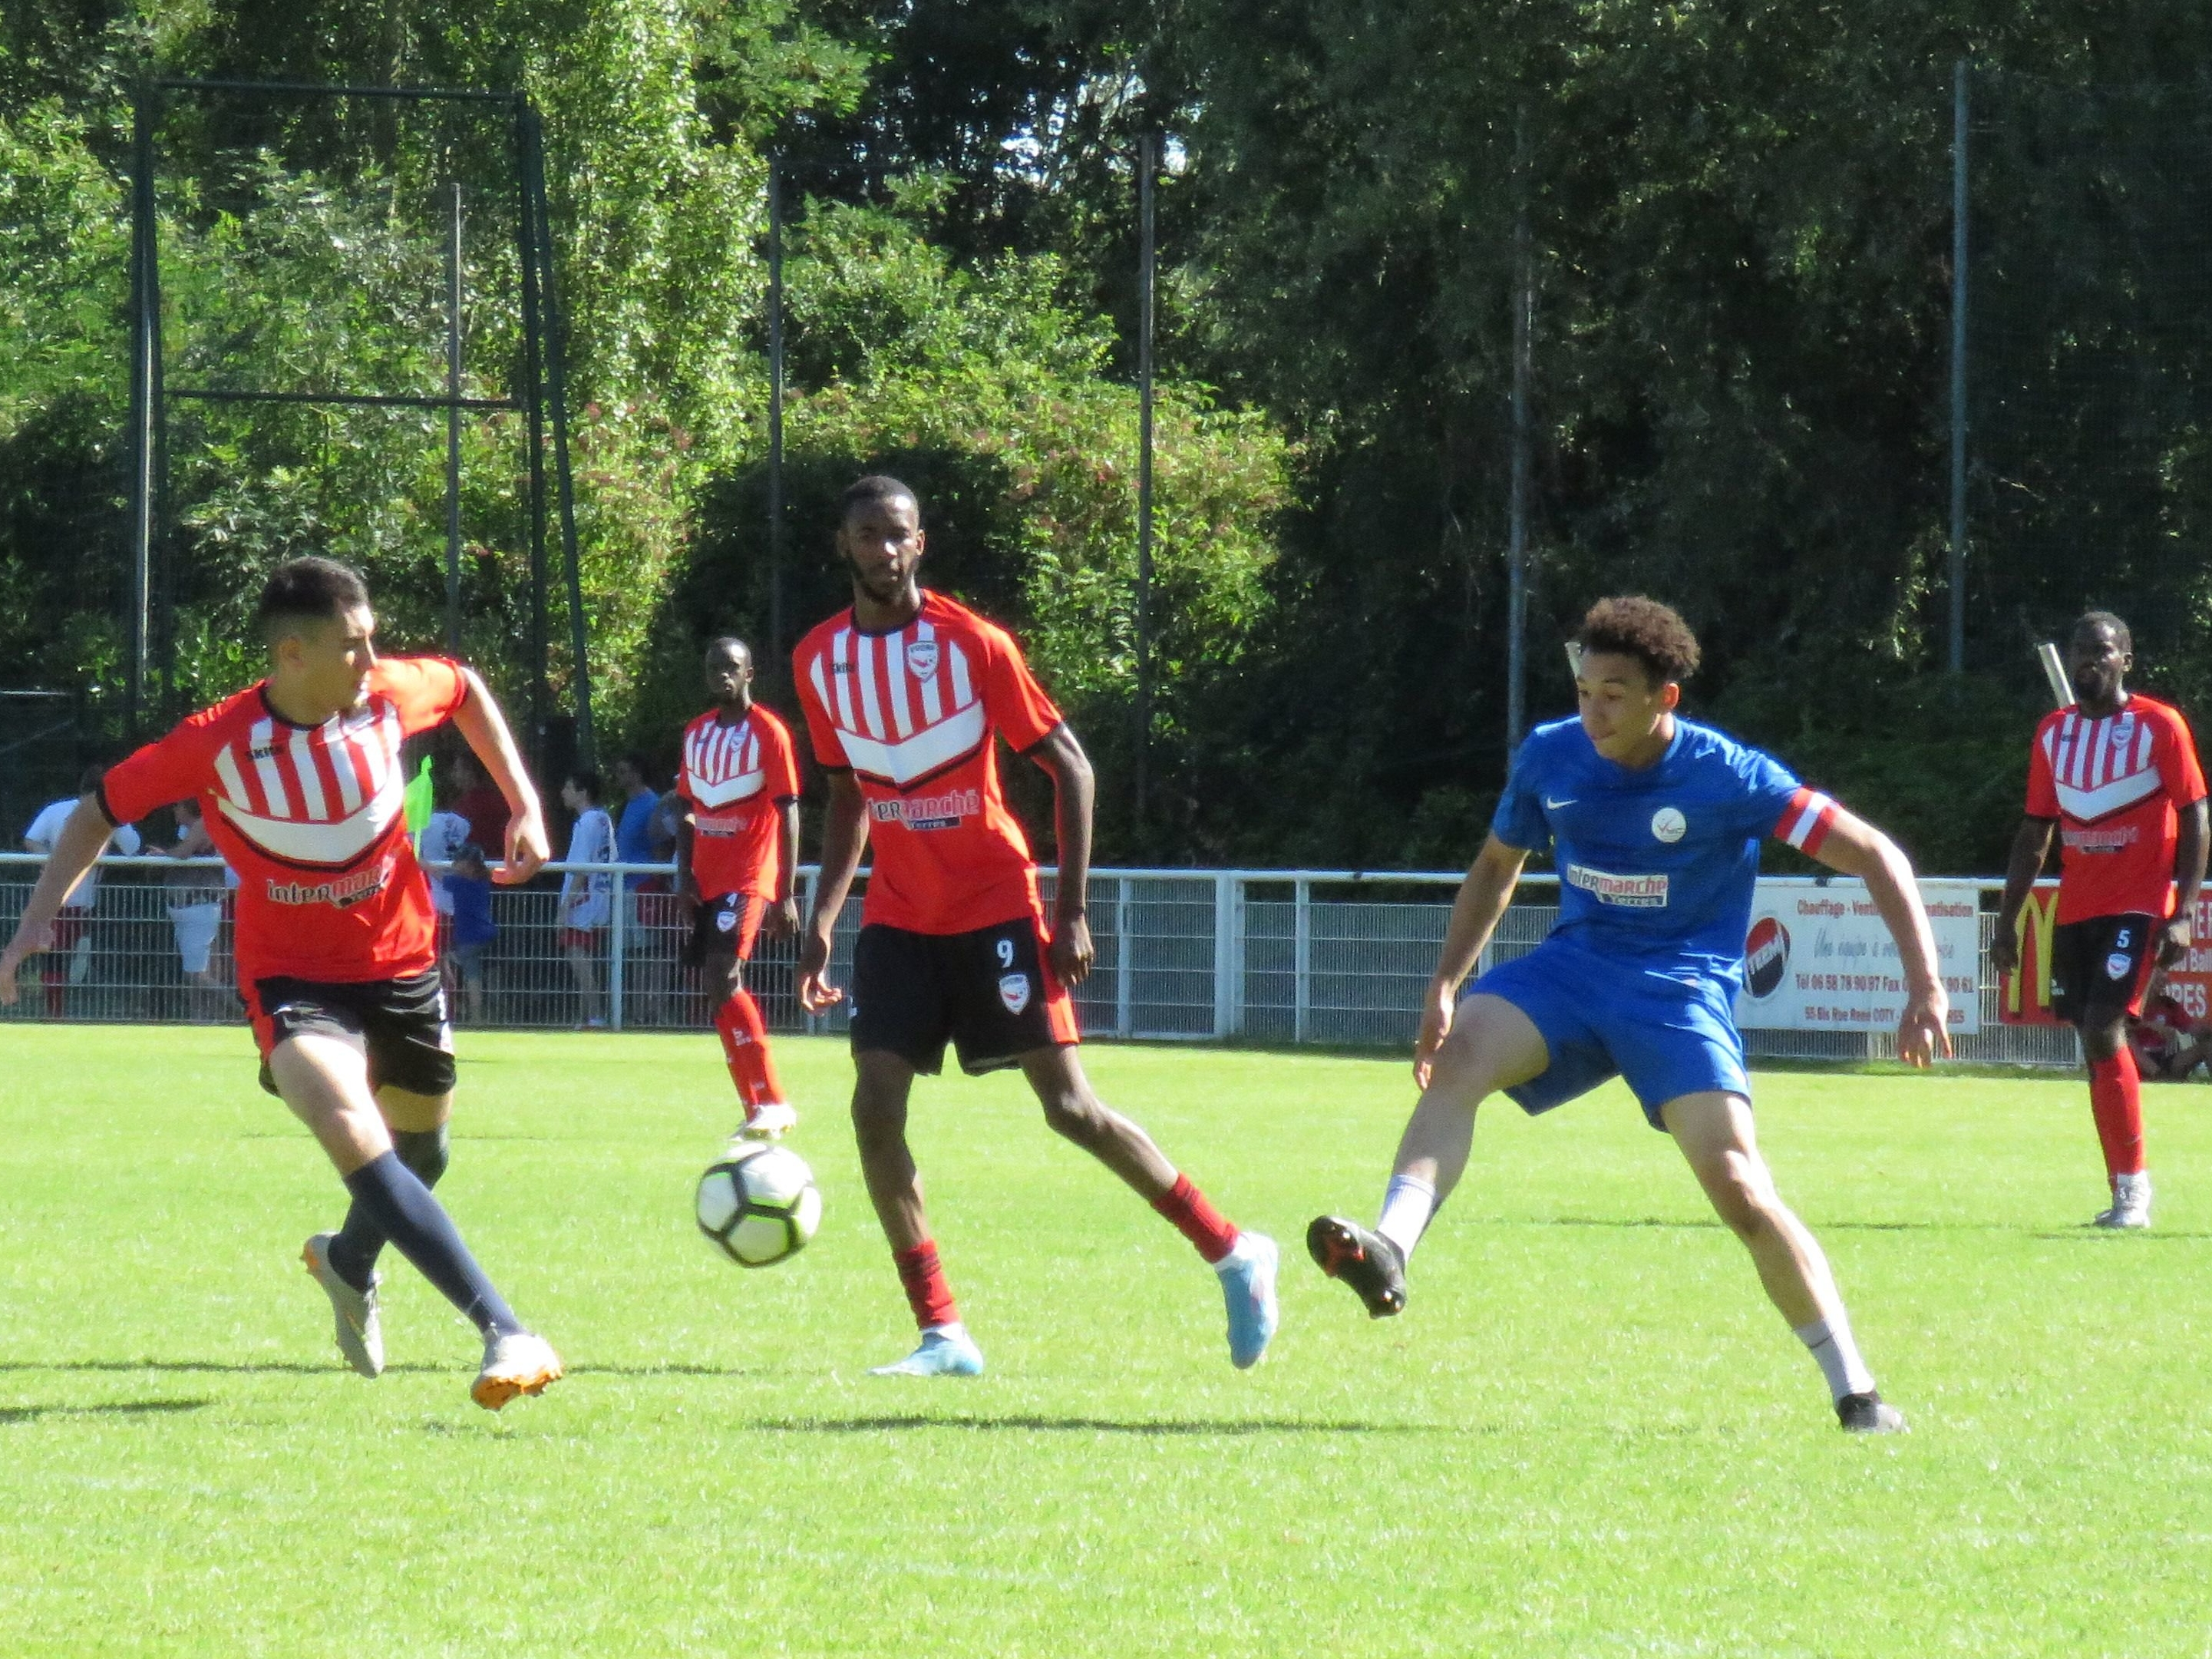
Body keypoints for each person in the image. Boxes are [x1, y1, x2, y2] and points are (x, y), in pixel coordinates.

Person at [1306, 597, 1949, 1434]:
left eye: (1614, 692)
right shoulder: (1550, 757)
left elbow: (1874, 853)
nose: (1592, 710)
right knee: (1462, 1054)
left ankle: (1856, 1391)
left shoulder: (1728, 776)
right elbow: (1496, 866)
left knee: (1740, 1189)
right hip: (1573, 970)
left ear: (1663, 699)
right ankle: (1390, 1243)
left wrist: (1924, 985)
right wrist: (1443, 982)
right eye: (1583, 689)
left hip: (1678, 989)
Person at [0, 555, 563, 1409]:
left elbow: (465, 689)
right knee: (346, 1120)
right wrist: (39, 919)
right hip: (291, 977)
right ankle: (504, 1328)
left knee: (424, 1152)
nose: (372, 662)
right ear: (292, 654)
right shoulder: (215, 742)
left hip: (401, 959)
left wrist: (522, 799)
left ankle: (346, 1260)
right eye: (354, 645)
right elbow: (100, 810)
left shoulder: (385, 699)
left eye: (373, 641)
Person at [794, 474, 1278, 1377]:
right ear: (845, 544)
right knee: (872, 1106)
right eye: (868, 535)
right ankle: (943, 1332)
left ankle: (1233, 1251)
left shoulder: (972, 644)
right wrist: (825, 915)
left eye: (898, 534)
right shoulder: (818, 659)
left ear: (920, 542)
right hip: (900, 915)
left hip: (995, 906)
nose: (884, 551)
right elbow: (845, 794)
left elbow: (1072, 768)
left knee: (1069, 1110)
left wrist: (1071, 908)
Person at [1992, 610, 2208, 1229]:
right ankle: (2122, 1184)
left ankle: (2134, 1191)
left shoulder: (2159, 725)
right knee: (2092, 1044)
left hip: (2138, 906)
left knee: (2103, 1026)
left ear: (2126, 660)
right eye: (2081, 649)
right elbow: (2036, 830)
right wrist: (2008, 921)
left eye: (2103, 650)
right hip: (2077, 909)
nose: (2089, 659)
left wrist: (2184, 911)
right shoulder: (2053, 734)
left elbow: (2196, 815)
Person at [675, 638, 802, 1139]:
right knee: (714, 986)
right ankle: (753, 1107)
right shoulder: (696, 734)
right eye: (714, 666)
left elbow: (789, 807)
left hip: (749, 875)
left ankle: (774, 1099)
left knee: (725, 973)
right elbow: (686, 805)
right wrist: (683, 873)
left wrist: (786, 892)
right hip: (707, 878)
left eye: (731, 666)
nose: (722, 674)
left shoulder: (769, 732)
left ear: (750, 672)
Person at [21, 765, 142, 1017]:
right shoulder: (108, 814)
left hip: (57, 898)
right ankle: (57, 1013)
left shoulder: (56, 810)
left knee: (55, 955)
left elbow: (31, 839)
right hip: (77, 900)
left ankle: (56, 1012)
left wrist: (52, 863)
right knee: (58, 954)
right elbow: (134, 846)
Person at [557, 769, 616, 1028]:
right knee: (585, 958)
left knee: (578, 956)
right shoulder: (604, 819)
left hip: (582, 900)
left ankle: (595, 1014)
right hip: (600, 895)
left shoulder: (586, 822)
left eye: (569, 787)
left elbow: (581, 867)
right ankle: (587, 1016)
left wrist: (565, 906)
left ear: (582, 793)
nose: (563, 793)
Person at [163, 795, 231, 1015]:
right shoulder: (190, 829)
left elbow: (183, 853)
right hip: (185, 908)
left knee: (197, 974)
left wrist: (164, 855)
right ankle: (198, 1019)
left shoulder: (204, 824)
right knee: (192, 972)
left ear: (188, 807)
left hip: (200, 907)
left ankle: (244, 1012)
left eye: (178, 804)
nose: (174, 809)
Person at [444, 842, 497, 1026]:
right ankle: (480, 1014)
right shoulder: (483, 881)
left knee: (469, 974)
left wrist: (423, 863)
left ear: (468, 865)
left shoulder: (459, 882)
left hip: (470, 938)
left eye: (459, 861)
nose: (454, 864)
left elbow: (438, 876)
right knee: (478, 974)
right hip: (486, 933)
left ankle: (476, 1017)